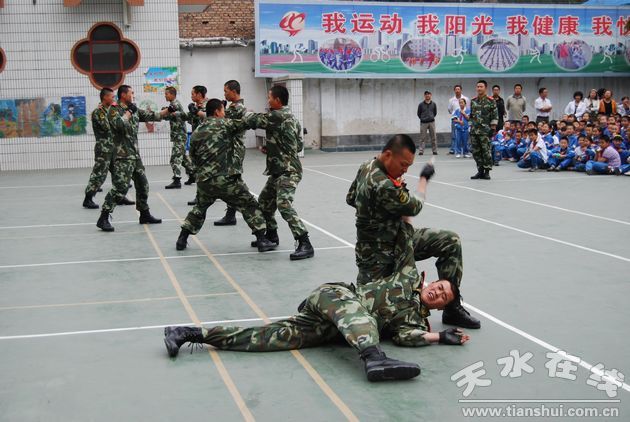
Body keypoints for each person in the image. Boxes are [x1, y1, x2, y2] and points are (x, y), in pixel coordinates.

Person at [164, 223, 471, 382]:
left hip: (326, 329)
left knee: (265, 338)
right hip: (335, 297)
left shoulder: (416, 321)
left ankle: (189, 333)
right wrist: (406, 203)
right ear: (432, 281)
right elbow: (406, 240)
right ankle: (373, 358)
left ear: (440, 307)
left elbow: (407, 337)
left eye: (443, 297)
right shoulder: (407, 275)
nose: (437, 293)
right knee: (362, 317)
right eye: (439, 286)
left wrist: (439, 337)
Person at [346, 134, 480, 329]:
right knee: (371, 308)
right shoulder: (383, 184)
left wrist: (379, 212)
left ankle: (451, 307)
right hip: (377, 255)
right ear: (388, 155)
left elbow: (350, 198)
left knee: (450, 241)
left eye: (408, 166)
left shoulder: (366, 166)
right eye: (403, 165)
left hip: (400, 238)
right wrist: (424, 179)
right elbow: (414, 207)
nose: (405, 170)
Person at [175, 99, 277, 253]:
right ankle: (262, 239)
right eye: (223, 110)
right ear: (217, 111)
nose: (225, 113)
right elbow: (247, 122)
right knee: (249, 204)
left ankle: (182, 239)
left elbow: (193, 156)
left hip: (204, 181)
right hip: (226, 179)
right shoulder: (225, 124)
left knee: (199, 209)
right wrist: (271, 116)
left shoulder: (197, 131)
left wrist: (202, 171)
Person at [243, 85, 314, 261]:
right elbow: (298, 145)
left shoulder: (278, 115)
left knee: (284, 205)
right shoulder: (293, 118)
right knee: (264, 203)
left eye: (269, 97)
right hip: (279, 171)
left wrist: (244, 111)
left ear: (277, 100)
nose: (268, 100)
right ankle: (272, 235)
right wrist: (274, 148)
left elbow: (255, 120)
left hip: (288, 171)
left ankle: (304, 242)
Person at [96, 85, 167, 232]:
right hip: (123, 156)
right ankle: (104, 217)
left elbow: (153, 115)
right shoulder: (114, 110)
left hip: (134, 156)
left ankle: (144, 214)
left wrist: (169, 111)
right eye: (131, 93)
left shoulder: (134, 109)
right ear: (123, 95)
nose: (133, 95)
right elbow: (119, 125)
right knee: (120, 188)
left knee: (143, 184)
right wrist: (128, 112)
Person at [83, 87, 134, 209]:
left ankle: (119, 196)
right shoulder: (99, 112)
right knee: (99, 174)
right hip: (104, 149)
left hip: (113, 148)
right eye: (112, 96)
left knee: (118, 173)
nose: (114, 98)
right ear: (105, 97)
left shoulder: (111, 110)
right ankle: (88, 198)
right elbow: (108, 126)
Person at [214, 80, 246, 227]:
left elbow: (222, 123)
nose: (224, 94)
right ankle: (231, 214)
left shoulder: (237, 108)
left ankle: (235, 213)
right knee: (233, 181)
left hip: (234, 150)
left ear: (233, 91)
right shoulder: (234, 107)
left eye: (226, 91)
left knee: (234, 181)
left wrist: (219, 111)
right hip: (231, 149)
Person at [163, 87, 194, 190]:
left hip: (179, 135)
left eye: (167, 94)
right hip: (179, 135)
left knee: (175, 158)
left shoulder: (175, 104)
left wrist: (163, 112)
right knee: (183, 159)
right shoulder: (173, 104)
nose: (165, 96)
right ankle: (193, 174)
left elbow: (168, 116)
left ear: (172, 94)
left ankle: (177, 180)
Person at [469, 80, 498, 180]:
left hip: (485, 131)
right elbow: (471, 116)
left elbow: (495, 115)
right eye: (477, 86)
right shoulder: (473, 101)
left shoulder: (491, 101)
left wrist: (493, 128)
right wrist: (470, 127)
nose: (479, 88)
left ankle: (487, 171)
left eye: (481, 86)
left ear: (485, 88)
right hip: (474, 130)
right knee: (476, 152)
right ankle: (480, 171)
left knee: (486, 151)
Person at [185, 85, 209, 206]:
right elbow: (192, 122)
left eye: (193, 94)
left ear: (199, 94)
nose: (191, 96)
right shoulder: (196, 107)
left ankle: (200, 197)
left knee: (201, 172)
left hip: (206, 144)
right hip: (197, 143)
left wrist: (197, 112)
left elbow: (210, 119)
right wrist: (191, 112)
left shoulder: (208, 106)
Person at [447, 85, 469, 154]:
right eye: (456, 89)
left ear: (461, 90)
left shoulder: (466, 99)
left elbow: (468, 108)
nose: (457, 91)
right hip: (455, 119)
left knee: (465, 135)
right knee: (454, 135)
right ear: (454, 90)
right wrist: (456, 115)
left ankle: (466, 150)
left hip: (465, 119)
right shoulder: (451, 100)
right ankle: (453, 149)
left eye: (458, 89)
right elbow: (449, 110)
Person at [417, 91, 438, 155]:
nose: (427, 95)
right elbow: (418, 113)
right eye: (426, 94)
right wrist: (423, 118)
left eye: (428, 94)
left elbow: (435, 113)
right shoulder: (421, 104)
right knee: (422, 138)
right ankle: (421, 151)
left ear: (430, 95)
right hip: (423, 123)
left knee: (433, 137)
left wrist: (431, 117)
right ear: (424, 96)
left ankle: (434, 150)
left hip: (432, 122)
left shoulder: (434, 104)